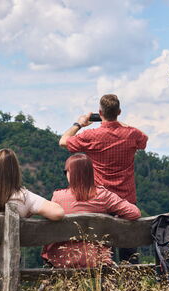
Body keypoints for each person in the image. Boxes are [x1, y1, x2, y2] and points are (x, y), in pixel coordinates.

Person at [59, 94, 148, 263]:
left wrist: (79, 123)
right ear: (119, 111)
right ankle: (133, 287)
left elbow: (63, 141)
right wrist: (122, 124)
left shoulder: (91, 135)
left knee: (104, 256)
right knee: (130, 255)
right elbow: (144, 140)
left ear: (100, 113)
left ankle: (106, 289)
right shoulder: (131, 134)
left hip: (101, 201)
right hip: (127, 201)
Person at [41, 153, 141, 268]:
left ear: (71, 174)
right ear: (90, 173)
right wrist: (114, 222)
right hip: (98, 259)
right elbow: (134, 213)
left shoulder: (58, 197)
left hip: (61, 259)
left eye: (66, 172)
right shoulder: (104, 196)